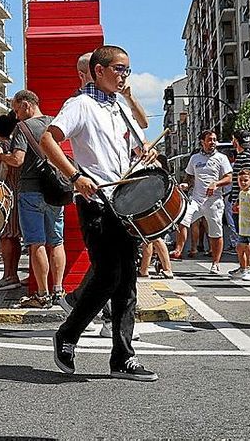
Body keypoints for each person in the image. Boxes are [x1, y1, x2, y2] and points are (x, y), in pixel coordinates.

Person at [40, 45, 158, 381]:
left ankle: (122, 357)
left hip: (124, 204)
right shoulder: (80, 104)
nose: (124, 76)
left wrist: (143, 154)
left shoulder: (118, 108)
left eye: (127, 70)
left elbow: (135, 147)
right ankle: (68, 333)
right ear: (99, 70)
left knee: (127, 283)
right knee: (108, 276)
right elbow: (50, 139)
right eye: (119, 69)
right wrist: (76, 177)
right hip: (96, 202)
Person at [0, 89, 65, 309]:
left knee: (36, 243)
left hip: (31, 191)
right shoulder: (54, 123)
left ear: (26, 104)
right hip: (55, 191)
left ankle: (42, 294)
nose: (16, 115)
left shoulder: (23, 128)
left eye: (16, 109)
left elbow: (17, 159)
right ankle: (59, 291)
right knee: (57, 242)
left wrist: (0, 156)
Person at [171, 130, 232, 274]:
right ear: (202, 142)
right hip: (196, 200)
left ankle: (215, 263)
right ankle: (178, 250)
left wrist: (216, 184)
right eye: (210, 139)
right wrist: (186, 185)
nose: (213, 142)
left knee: (215, 233)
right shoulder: (195, 158)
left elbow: (229, 178)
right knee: (183, 220)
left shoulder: (221, 158)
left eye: (214, 139)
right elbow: (190, 177)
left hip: (214, 201)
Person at [0, 112, 22, 291]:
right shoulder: (17, 145)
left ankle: (9, 275)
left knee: (7, 236)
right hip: (19, 193)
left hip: (4, 195)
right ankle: (13, 274)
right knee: (15, 237)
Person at [76, 51, 149, 129]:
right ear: (82, 75)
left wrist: (128, 97)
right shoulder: (79, 103)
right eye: (95, 70)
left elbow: (143, 124)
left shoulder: (116, 104)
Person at [227, 130, 250, 279]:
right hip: (240, 201)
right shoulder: (248, 155)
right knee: (242, 239)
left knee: (248, 239)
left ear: (235, 141)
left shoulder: (245, 157)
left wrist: (238, 201)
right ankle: (244, 267)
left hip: (244, 203)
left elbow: (246, 182)